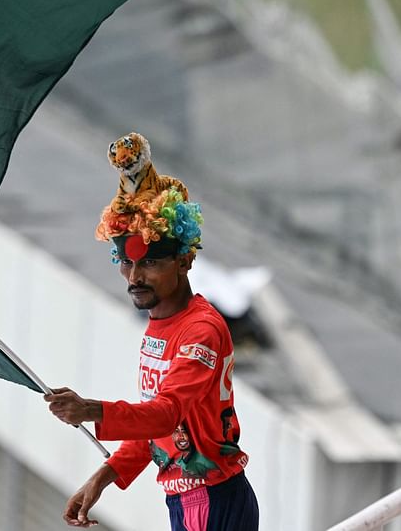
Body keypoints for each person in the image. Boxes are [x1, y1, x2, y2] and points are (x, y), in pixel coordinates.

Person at [44, 133, 259, 530]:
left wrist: (90, 410)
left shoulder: (200, 331)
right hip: (189, 500)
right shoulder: (162, 323)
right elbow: (157, 428)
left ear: (184, 261)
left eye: (150, 263)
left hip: (210, 500)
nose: (135, 276)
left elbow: (165, 415)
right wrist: (104, 476)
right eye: (125, 262)